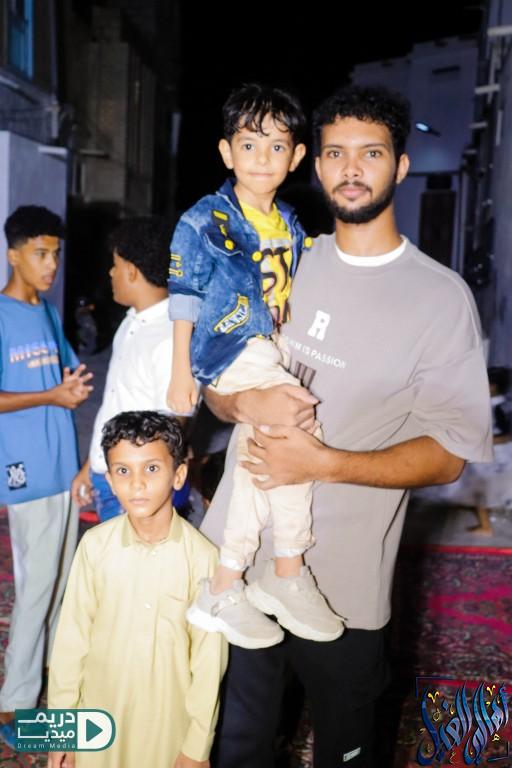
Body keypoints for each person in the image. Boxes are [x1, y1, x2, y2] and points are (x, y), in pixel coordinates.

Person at [200, 85, 493, 767]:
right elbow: (216, 383)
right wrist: (243, 405)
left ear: (401, 166)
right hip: (236, 570)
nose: (351, 168)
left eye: (371, 153)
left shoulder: (439, 298)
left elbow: (450, 454)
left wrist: (323, 464)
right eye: (335, 153)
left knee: (347, 751)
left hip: (342, 588)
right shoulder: (284, 260)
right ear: (315, 163)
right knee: (234, 746)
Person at [167, 83, 343, 650]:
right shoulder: (204, 220)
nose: (262, 158)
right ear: (226, 152)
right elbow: (184, 295)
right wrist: (181, 372)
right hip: (229, 348)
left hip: (272, 346)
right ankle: (285, 568)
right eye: (249, 145)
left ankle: (226, 583)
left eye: (276, 147)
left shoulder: (289, 222)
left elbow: (287, 284)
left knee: (262, 450)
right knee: (296, 424)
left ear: (296, 157)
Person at [48, 411, 228, 768]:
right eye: (123, 471)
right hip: (98, 722)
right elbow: (71, 642)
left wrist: (197, 745)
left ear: (179, 475)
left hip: (166, 726)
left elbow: (209, 662)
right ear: (110, 481)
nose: (137, 484)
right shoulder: (95, 547)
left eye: (152, 468)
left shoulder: (204, 558)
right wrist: (61, 734)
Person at [0, 205, 92, 748]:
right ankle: (14, 701)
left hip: (61, 462)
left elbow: (62, 373)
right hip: (26, 469)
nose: (51, 264)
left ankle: (58, 683)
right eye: (40, 254)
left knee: (60, 585)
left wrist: (70, 387)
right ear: (14, 254)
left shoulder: (50, 314)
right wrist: (52, 395)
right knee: (36, 589)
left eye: (55, 254)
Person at [71, 217, 181, 521]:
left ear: (131, 271)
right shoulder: (131, 323)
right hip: (106, 475)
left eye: (115, 265)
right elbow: (114, 403)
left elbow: (174, 425)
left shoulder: (170, 337)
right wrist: (91, 466)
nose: (111, 272)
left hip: (134, 489)